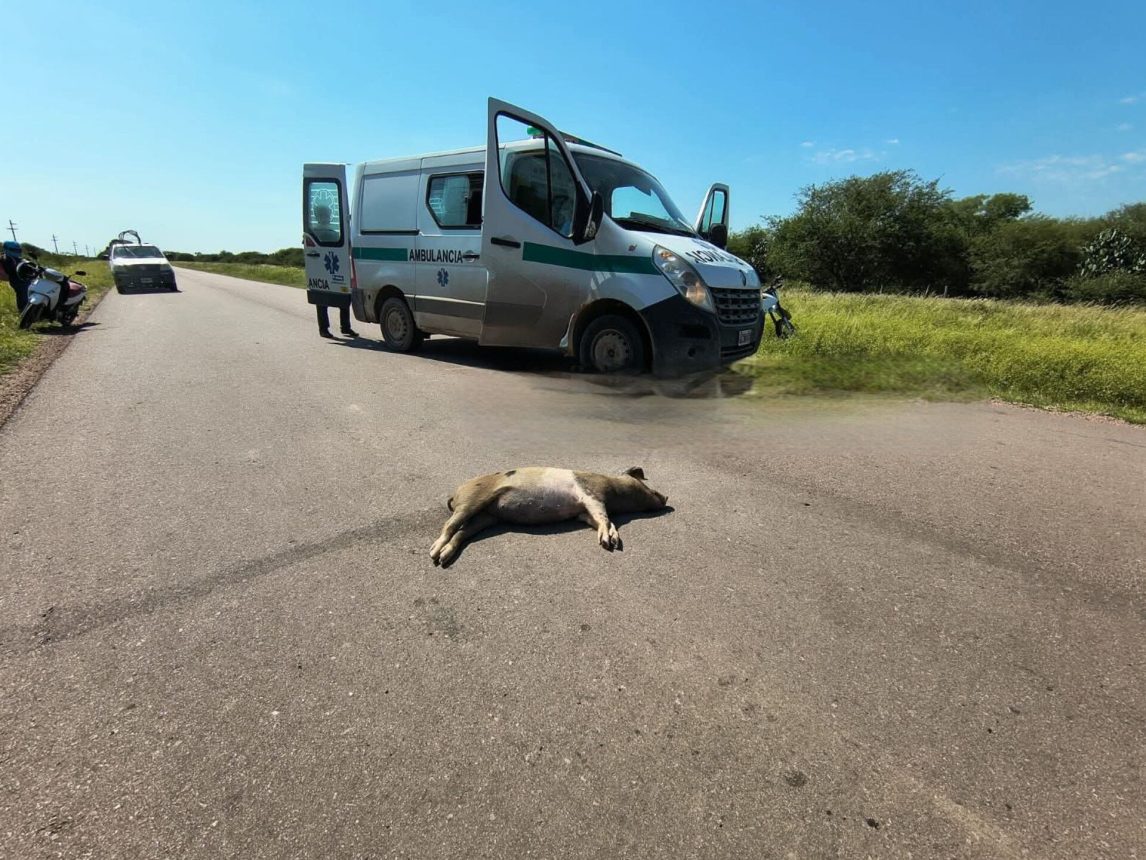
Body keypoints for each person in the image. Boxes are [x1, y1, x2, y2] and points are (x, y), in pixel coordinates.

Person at [1, 241, 32, 312]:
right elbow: (4, 274)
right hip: (17, 280)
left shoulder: (18, 259)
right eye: (13, 250)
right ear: (6, 249)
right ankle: (23, 311)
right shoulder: (6, 259)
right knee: (23, 293)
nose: (16, 252)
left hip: (24, 278)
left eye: (18, 250)